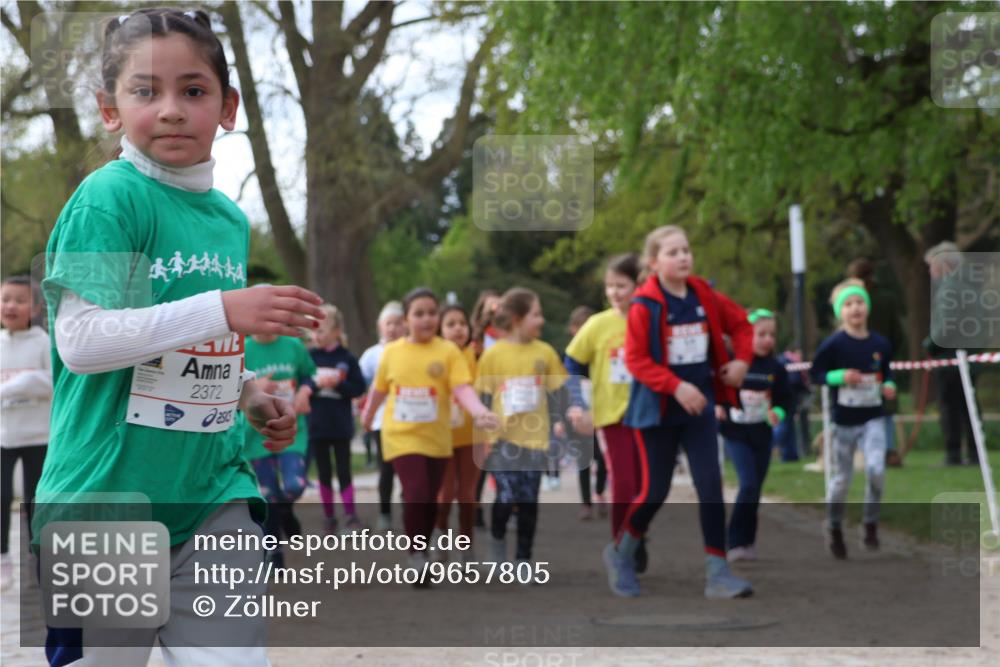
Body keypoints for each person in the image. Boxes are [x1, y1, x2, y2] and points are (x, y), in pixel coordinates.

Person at [35, 9, 324, 664]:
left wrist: (247, 392)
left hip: (213, 491)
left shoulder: (226, 218)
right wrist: (222, 307)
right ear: (110, 110)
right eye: (146, 91)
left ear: (228, 106)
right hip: (109, 502)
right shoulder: (109, 198)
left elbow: (187, 334)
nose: (170, 109)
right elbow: (82, 341)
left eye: (193, 90)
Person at [603, 225, 754, 599]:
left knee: (710, 486)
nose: (683, 257)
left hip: (698, 408)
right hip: (657, 411)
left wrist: (742, 363)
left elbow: (741, 323)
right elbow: (636, 361)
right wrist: (676, 386)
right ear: (654, 263)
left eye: (686, 250)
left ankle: (718, 573)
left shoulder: (703, 292)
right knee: (655, 491)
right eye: (673, 252)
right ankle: (620, 552)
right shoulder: (643, 305)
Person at [361, 288, 496, 584]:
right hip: (402, 436)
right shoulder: (392, 353)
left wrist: (479, 412)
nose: (426, 319)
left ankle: (422, 547)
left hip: (437, 438)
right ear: (407, 319)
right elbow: (380, 390)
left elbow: (462, 388)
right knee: (417, 493)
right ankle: (417, 556)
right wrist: (368, 417)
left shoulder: (446, 351)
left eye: (431, 313)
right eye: (419, 314)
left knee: (433, 501)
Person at [477, 288, 569, 568]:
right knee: (506, 497)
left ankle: (523, 559)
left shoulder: (545, 352)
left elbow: (559, 390)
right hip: (503, 440)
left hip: (535, 440)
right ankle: (497, 542)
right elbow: (482, 395)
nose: (541, 320)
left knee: (529, 502)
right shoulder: (494, 355)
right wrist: (483, 426)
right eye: (536, 314)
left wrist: (565, 418)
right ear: (517, 318)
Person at [810, 279, 896, 559]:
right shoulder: (834, 344)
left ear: (867, 308)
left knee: (876, 470)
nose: (855, 308)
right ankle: (834, 526)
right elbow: (815, 374)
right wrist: (839, 377)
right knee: (841, 480)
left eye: (859, 302)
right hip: (844, 421)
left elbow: (887, 373)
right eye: (848, 304)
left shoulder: (880, 343)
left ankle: (870, 523)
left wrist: (889, 386)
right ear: (839, 312)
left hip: (873, 418)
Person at [564, 255, 642, 559]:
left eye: (621, 286)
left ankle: (638, 536)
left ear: (638, 285)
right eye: (610, 286)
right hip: (612, 416)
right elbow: (573, 362)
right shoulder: (597, 324)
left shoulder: (648, 319)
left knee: (645, 485)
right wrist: (579, 402)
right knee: (622, 482)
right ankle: (620, 544)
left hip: (648, 414)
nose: (615, 293)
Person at [716, 309, 792, 561]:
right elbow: (715, 386)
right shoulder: (732, 360)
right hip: (736, 433)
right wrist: (718, 407)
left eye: (771, 334)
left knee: (755, 489)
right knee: (747, 484)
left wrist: (778, 412)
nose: (767, 339)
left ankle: (748, 541)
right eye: (761, 334)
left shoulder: (776, 367)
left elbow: (785, 399)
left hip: (762, 434)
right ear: (746, 334)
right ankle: (734, 540)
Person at [242, 329, 316, 567]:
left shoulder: (293, 345)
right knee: (268, 496)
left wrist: (305, 392)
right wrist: (255, 386)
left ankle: (286, 513)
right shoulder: (242, 349)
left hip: (292, 429)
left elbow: (308, 375)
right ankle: (274, 552)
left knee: (294, 486)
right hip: (256, 435)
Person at [0, 276, 52, 591]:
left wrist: (23, 383)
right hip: (4, 437)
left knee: (35, 500)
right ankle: (3, 558)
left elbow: (54, 381)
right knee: (1, 496)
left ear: (34, 307)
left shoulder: (43, 342)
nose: (10, 306)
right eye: (5, 298)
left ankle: (37, 559)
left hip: (39, 436)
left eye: (19, 300)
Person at [308, 304, 366, 534]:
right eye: (313, 330)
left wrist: (339, 384)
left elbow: (359, 387)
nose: (316, 335)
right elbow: (301, 383)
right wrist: (313, 385)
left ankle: (351, 516)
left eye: (321, 329)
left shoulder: (347, 358)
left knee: (344, 471)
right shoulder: (309, 357)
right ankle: (329, 517)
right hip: (317, 425)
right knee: (323, 472)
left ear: (336, 330)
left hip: (340, 425)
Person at [925, 242, 981, 466]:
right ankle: (976, 453)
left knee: (950, 405)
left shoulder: (950, 288)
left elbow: (945, 327)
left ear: (943, 266)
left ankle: (953, 453)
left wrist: (929, 345)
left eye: (931, 267)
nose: (930, 272)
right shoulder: (972, 286)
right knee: (969, 406)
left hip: (950, 355)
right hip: (970, 354)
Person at [432, 304, 481, 561]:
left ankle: (466, 546)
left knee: (467, 496)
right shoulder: (434, 356)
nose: (458, 328)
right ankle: (441, 534)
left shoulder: (477, 355)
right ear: (440, 329)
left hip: (472, 438)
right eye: (451, 324)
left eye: (462, 323)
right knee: (445, 495)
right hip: (443, 438)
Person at [847, 258, 905, 467]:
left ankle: (868, 452)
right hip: (882, 361)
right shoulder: (887, 298)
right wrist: (889, 355)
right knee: (885, 408)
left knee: (861, 406)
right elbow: (898, 334)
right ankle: (887, 450)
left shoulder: (852, 303)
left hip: (858, 363)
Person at [358, 301, 406, 530]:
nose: (393, 328)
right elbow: (360, 384)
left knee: (409, 469)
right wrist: (362, 406)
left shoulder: (411, 351)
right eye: (389, 323)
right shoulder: (372, 355)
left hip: (409, 420)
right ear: (380, 326)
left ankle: (411, 510)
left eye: (398, 323)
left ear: (405, 326)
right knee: (386, 469)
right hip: (381, 421)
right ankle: (385, 513)